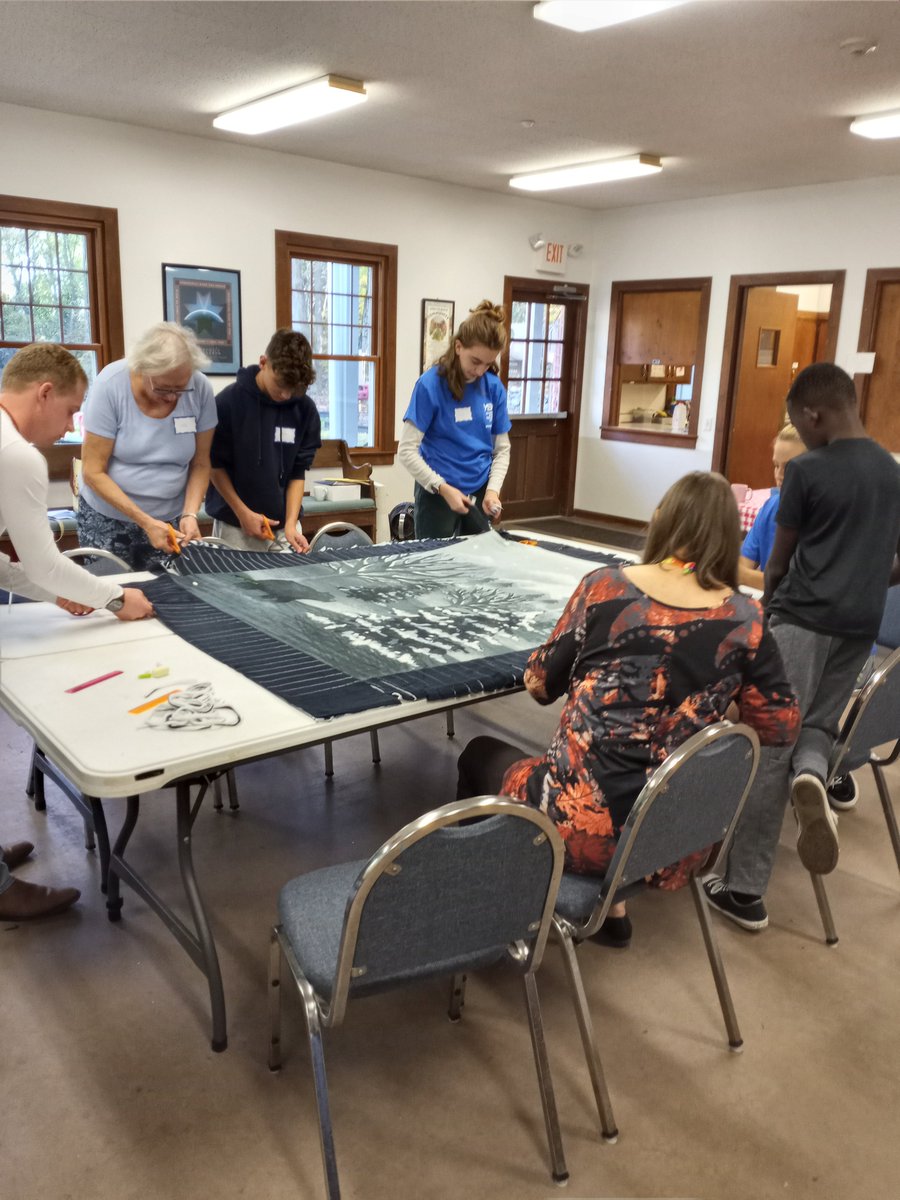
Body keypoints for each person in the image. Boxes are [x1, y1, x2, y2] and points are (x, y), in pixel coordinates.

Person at [456, 472, 800, 946]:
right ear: (730, 537)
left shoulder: (605, 589)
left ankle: (483, 930)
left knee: (478, 756)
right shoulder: (746, 619)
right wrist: (718, 705)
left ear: (660, 521)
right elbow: (780, 725)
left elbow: (538, 685)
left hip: (577, 826)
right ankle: (611, 912)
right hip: (674, 833)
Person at [706, 362, 900, 930]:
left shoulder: (809, 472)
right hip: (860, 625)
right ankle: (813, 775)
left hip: (801, 621)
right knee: (815, 727)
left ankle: (742, 888)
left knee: (771, 743)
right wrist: (864, 581)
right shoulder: (893, 472)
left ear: (814, 415)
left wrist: (770, 615)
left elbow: (779, 564)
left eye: (799, 424)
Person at [0, 343, 154, 919]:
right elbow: (43, 562)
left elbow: (17, 568)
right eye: (69, 411)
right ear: (43, 392)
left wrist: (57, 593)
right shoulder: (16, 454)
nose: (69, 427)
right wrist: (117, 598)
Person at [76, 322, 217, 569]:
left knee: (165, 594)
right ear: (142, 369)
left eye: (180, 388)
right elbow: (92, 471)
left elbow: (201, 463)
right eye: (163, 388)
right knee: (115, 597)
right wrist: (145, 521)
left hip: (169, 519)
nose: (173, 397)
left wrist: (190, 513)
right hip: (109, 519)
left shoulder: (200, 388)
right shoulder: (110, 385)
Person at [399, 300, 511, 539]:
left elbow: (502, 450)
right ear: (458, 347)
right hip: (437, 492)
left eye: (488, 363)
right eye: (475, 361)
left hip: (479, 490)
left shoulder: (493, 388)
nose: (480, 371)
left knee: (478, 564)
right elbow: (406, 450)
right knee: (435, 567)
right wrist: (441, 487)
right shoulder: (429, 385)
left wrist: (492, 491)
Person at [205, 329, 322, 552]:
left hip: (284, 529)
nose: (286, 395)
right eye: (280, 385)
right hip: (235, 526)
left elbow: (298, 473)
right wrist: (242, 513)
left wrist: (290, 524)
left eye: (294, 389)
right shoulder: (228, 403)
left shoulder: (304, 409)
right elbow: (214, 465)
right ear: (263, 363)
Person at [738, 422, 804, 591]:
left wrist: (746, 576)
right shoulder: (771, 506)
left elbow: (795, 589)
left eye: (789, 467)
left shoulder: (824, 518)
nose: (779, 475)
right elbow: (743, 564)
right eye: (776, 465)